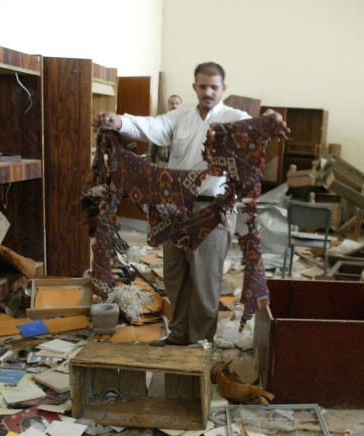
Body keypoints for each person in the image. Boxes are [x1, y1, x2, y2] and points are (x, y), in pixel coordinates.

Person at [95, 62, 285, 346]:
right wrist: (118, 121)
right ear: (194, 87)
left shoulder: (234, 117)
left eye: (214, 87)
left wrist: (268, 121)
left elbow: (255, 129)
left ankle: (199, 346)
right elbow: (150, 126)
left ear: (224, 89)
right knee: (176, 278)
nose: (208, 92)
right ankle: (179, 335)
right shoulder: (179, 118)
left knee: (205, 284)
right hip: (175, 209)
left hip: (213, 210)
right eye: (202, 86)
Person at [149, 94, 182, 164]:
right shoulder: (160, 122)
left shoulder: (186, 124)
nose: (174, 106)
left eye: (177, 103)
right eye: (172, 103)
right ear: (168, 105)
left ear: (181, 105)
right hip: (162, 163)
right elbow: (152, 144)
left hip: (180, 164)